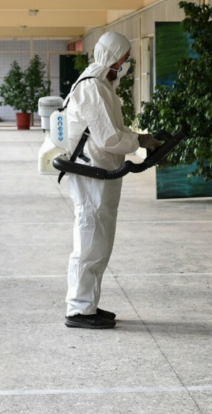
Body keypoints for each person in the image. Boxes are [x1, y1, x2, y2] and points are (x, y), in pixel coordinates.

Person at [63, 32, 162, 329]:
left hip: (102, 171)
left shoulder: (104, 85)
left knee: (100, 240)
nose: (127, 63)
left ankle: (88, 304)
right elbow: (108, 138)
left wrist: (138, 139)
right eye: (124, 58)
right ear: (111, 56)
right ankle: (79, 310)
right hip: (91, 173)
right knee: (90, 240)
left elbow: (110, 130)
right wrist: (139, 141)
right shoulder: (92, 87)